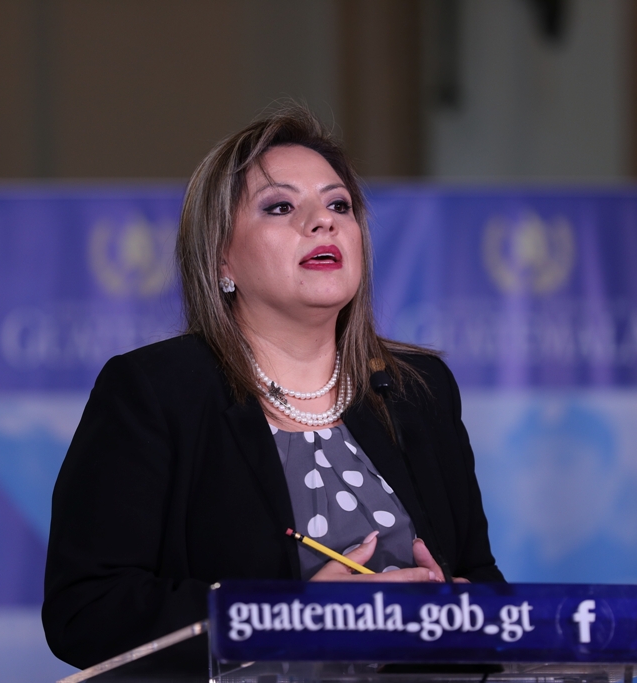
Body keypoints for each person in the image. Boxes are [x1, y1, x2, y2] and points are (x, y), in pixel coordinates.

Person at [42, 105, 503, 673]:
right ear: (220, 259)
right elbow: (87, 610)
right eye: (281, 206)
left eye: (339, 204)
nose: (323, 221)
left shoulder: (419, 391)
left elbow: (480, 581)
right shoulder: (156, 392)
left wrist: (463, 613)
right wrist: (290, 615)